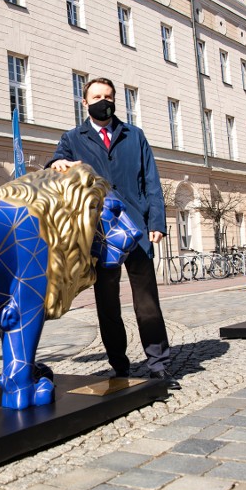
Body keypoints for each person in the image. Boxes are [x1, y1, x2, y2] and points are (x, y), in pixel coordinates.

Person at [47, 77, 180, 390]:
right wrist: (60, 163)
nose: (102, 101)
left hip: (136, 231)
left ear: (115, 100)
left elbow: (151, 181)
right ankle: (119, 366)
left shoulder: (135, 135)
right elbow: (54, 163)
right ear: (85, 102)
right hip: (99, 236)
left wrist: (156, 223)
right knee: (107, 306)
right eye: (96, 96)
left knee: (147, 303)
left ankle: (158, 363)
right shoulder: (72, 137)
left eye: (107, 96)